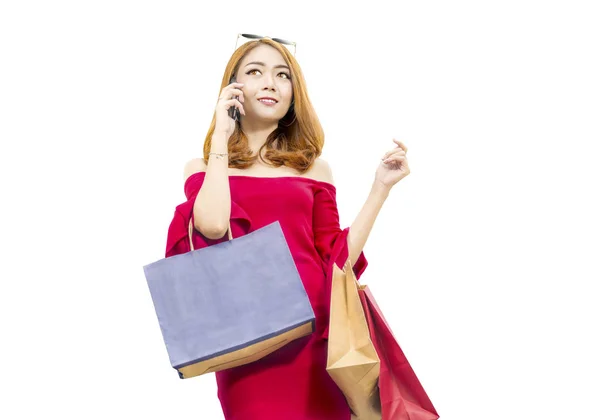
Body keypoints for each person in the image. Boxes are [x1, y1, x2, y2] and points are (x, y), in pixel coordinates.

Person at [165, 36, 410, 420]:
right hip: (248, 340)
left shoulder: (313, 169)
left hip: (316, 340)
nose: (270, 83)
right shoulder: (204, 167)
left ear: (293, 94)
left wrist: (380, 188)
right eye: (255, 72)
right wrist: (222, 139)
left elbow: (336, 260)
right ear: (232, 89)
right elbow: (212, 226)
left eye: (282, 75)